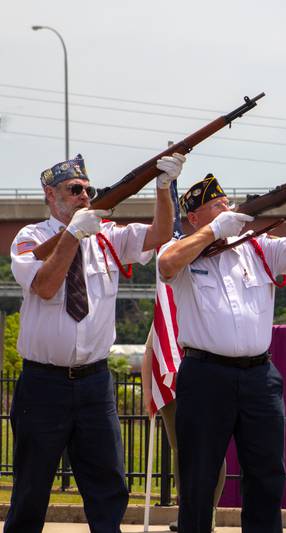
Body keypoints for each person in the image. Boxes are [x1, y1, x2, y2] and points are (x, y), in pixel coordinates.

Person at [7, 152, 185, 533]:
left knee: (109, 485)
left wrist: (163, 188)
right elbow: (45, 284)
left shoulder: (108, 237)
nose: (84, 196)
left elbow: (159, 235)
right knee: (31, 488)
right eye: (74, 190)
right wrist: (72, 234)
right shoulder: (31, 238)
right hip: (44, 384)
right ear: (50, 196)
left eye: (89, 190)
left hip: (94, 382)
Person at [156, 173, 286, 533]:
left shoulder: (259, 246)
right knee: (198, 477)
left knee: (267, 474)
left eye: (227, 204)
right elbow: (166, 264)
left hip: (259, 377)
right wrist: (214, 231)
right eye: (216, 207)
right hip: (205, 376)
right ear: (195, 218)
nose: (227, 209)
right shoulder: (185, 249)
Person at [140, 328, 227, 532]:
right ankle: (186, 512)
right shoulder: (166, 303)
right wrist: (147, 392)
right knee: (181, 451)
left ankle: (208, 511)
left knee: (213, 450)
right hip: (172, 392)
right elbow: (150, 351)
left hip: (208, 385)